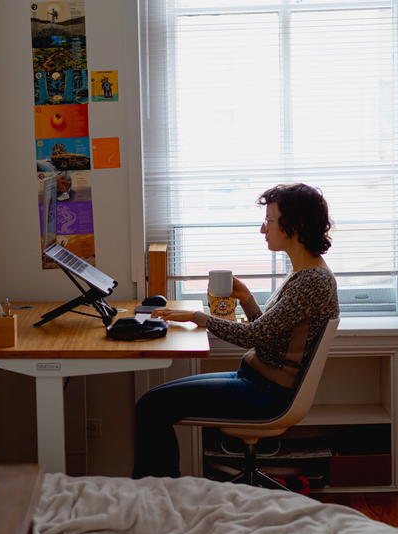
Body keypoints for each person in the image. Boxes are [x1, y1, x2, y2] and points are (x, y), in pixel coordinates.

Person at [133, 183, 340, 478]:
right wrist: (246, 300)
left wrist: (198, 317)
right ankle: (158, 493)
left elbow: (253, 337)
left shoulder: (311, 281)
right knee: (154, 400)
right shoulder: (303, 274)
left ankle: (158, 497)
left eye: (269, 220)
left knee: (152, 406)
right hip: (258, 380)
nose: (262, 229)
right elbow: (268, 333)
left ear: (297, 224)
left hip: (268, 393)